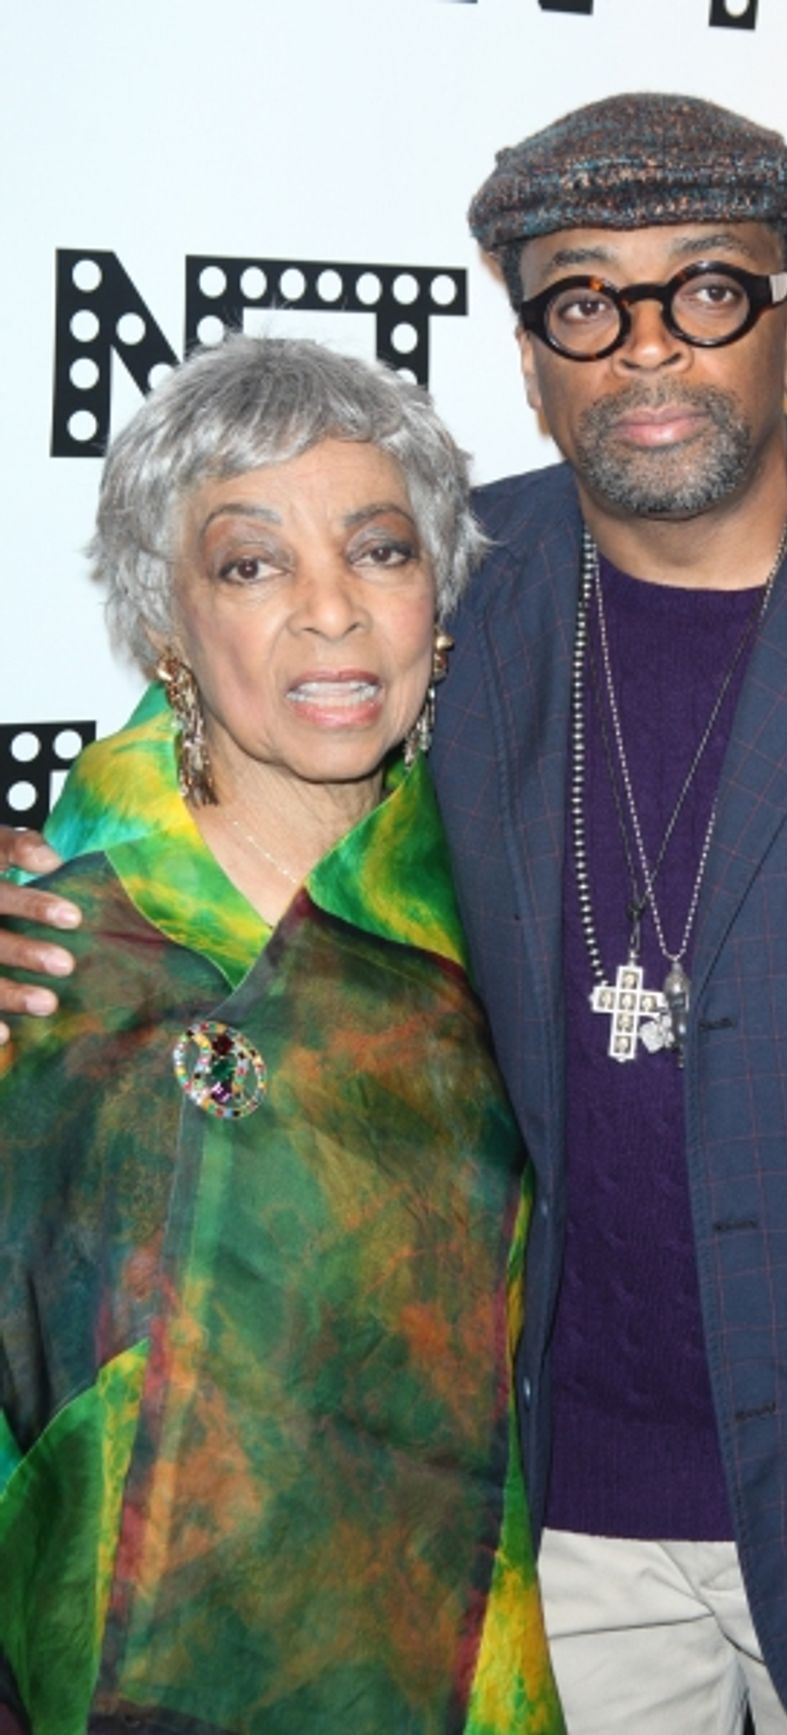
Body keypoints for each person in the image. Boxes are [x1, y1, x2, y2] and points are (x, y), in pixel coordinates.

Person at [3, 92, 787, 1735]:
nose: (647, 348)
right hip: (544, 1530)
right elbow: (216, 763)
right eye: (583, 299)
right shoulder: (455, 597)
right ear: (528, 353)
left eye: (707, 288)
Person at [0, 336, 562, 1734]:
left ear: (438, 603)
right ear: (166, 627)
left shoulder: (522, 924)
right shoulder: (47, 941)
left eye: (379, 553)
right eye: (251, 565)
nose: (330, 613)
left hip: (442, 1671)